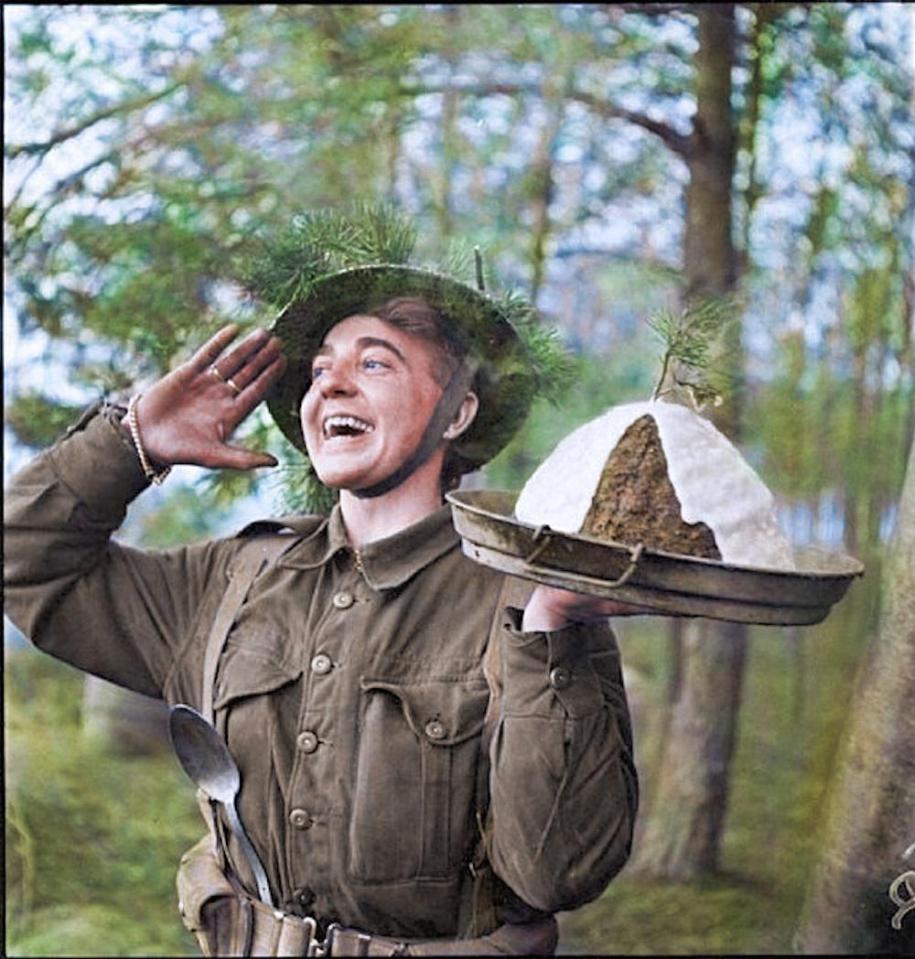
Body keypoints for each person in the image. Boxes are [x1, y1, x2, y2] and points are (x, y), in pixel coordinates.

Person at [4, 208, 642, 957]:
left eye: (374, 363)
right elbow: (23, 558)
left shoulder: (523, 596)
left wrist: (548, 634)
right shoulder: (227, 580)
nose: (332, 382)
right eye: (319, 370)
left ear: (457, 411)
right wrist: (132, 443)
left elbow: (558, 871)